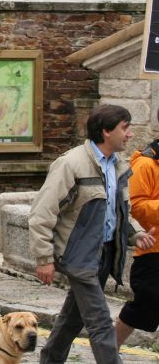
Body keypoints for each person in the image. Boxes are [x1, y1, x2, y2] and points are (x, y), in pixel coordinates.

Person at [29, 104, 154, 364]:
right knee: (100, 323)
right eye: (125, 127)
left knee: (71, 320)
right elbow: (42, 213)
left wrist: (136, 234)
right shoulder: (70, 163)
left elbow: (118, 212)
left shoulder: (118, 166)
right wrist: (44, 259)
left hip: (104, 255)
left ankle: (49, 360)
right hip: (79, 258)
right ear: (106, 131)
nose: (130, 134)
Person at [115, 110, 159, 347]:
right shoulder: (146, 162)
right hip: (154, 251)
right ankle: (109, 351)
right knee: (144, 307)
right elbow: (138, 206)